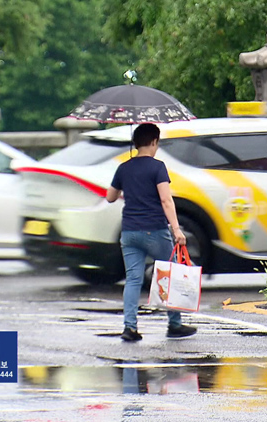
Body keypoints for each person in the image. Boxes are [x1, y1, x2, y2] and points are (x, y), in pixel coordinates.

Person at [106, 123, 197, 342]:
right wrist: (176, 229)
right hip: (154, 230)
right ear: (154, 142)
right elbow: (166, 200)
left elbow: (110, 196)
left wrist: (128, 184)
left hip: (129, 232)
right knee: (170, 274)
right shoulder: (158, 167)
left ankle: (130, 327)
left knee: (133, 279)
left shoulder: (123, 167)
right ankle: (174, 324)